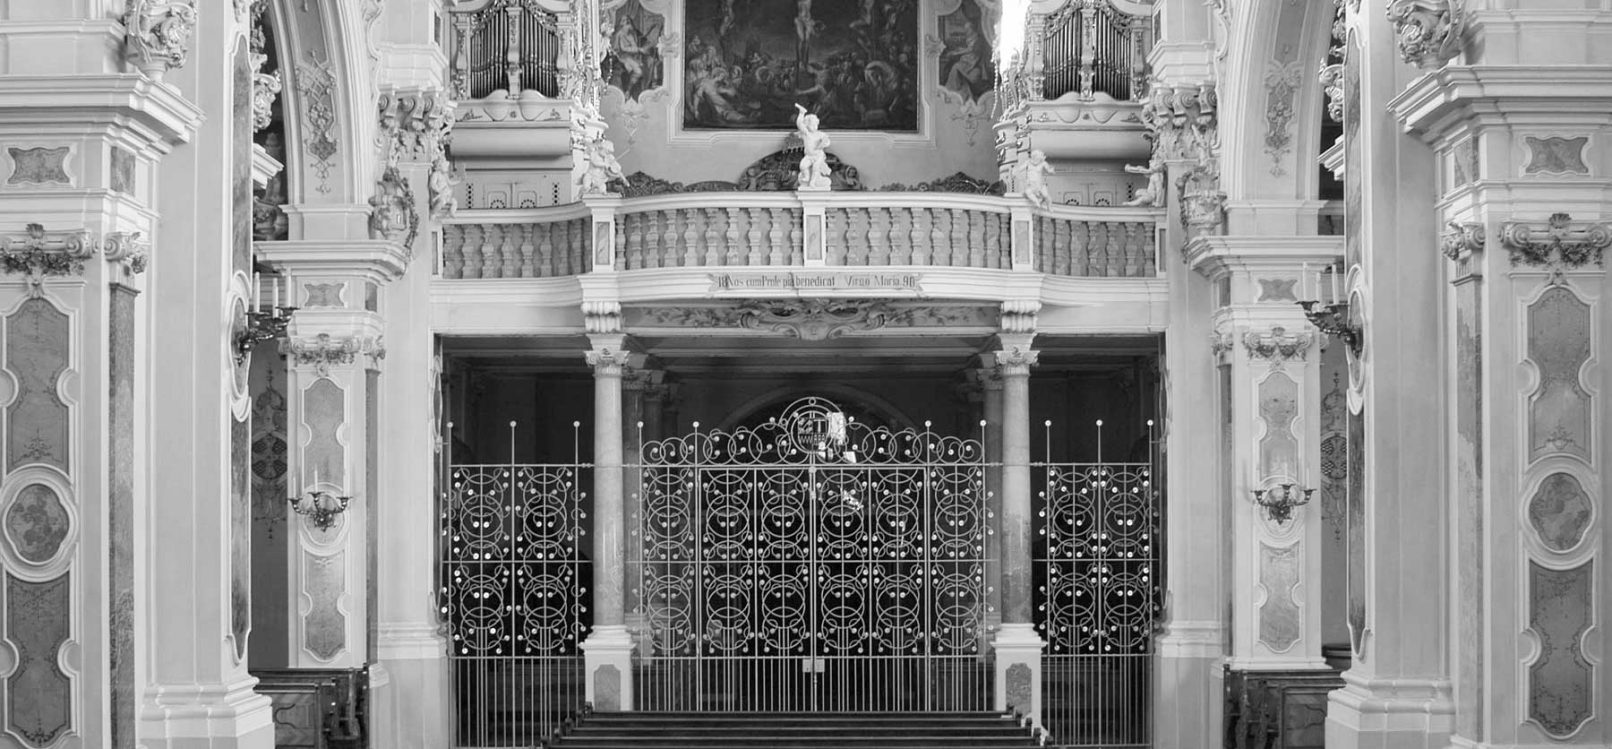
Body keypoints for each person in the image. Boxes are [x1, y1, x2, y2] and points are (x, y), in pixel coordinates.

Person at [794, 103, 831, 190]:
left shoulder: (820, 134)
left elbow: (827, 141)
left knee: (815, 168)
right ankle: (807, 177)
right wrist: (801, 113)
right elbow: (799, 124)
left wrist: (824, 143)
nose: (815, 127)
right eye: (812, 125)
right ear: (807, 125)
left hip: (818, 155)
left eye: (816, 125)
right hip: (809, 156)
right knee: (802, 166)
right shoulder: (806, 134)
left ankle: (812, 182)